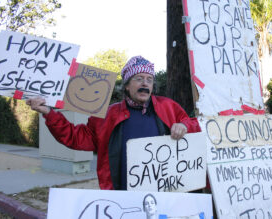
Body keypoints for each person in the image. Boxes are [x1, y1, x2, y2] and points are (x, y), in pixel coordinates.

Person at [27, 56, 201, 190]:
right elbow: (76, 138)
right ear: (126, 85)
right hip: (121, 193)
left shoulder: (168, 106)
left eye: (149, 79)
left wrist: (185, 126)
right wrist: (49, 113)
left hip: (164, 192)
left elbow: (195, 124)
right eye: (139, 78)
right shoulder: (108, 114)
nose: (145, 84)